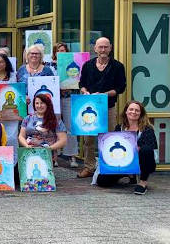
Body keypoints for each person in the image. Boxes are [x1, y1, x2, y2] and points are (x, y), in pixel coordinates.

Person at [78, 37, 126, 178]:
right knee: (88, 140)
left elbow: (121, 88)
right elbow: (82, 84)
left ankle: (108, 167)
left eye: (106, 47)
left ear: (110, 48)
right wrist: (85, 91)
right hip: (90, 108)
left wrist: (104, 95)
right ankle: (89, 167)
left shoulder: (118, 66)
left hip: (109, 107)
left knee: (109, 138)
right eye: (100, 47)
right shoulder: (87, 65)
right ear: (95, 49)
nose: (103, 50)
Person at [96, 101, 157, 195]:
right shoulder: (119, 127)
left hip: (142, 162)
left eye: (137, 110)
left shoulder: (147, 129)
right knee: (102, 181)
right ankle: (127, 174)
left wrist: (137, 148)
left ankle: (143, 182)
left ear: (141, 113)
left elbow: (150, 147)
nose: (134, 112)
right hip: (122, 161)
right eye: (131, 109)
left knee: (146, 150)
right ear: (126, 111)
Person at [53, 42, 80, 168]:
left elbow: (77, 81)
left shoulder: (72, 65)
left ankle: (72, 156)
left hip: (69, 98)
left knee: (70, 127)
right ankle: (55, 156)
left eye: (64, 50)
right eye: (59, 51)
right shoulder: (50, 66)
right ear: (55, 53)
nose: (61, 53)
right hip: (55, 99)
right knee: (55, 126)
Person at [18, 94, 68, 161]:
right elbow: (21, 136)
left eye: (42, 103)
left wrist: (49, 148)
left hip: (47, 155)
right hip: (29, 153)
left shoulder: (55, 119)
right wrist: (26, 146)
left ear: (47, 104)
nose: (39, 106)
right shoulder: (28, 118)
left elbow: (63, 140)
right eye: (37, 103)